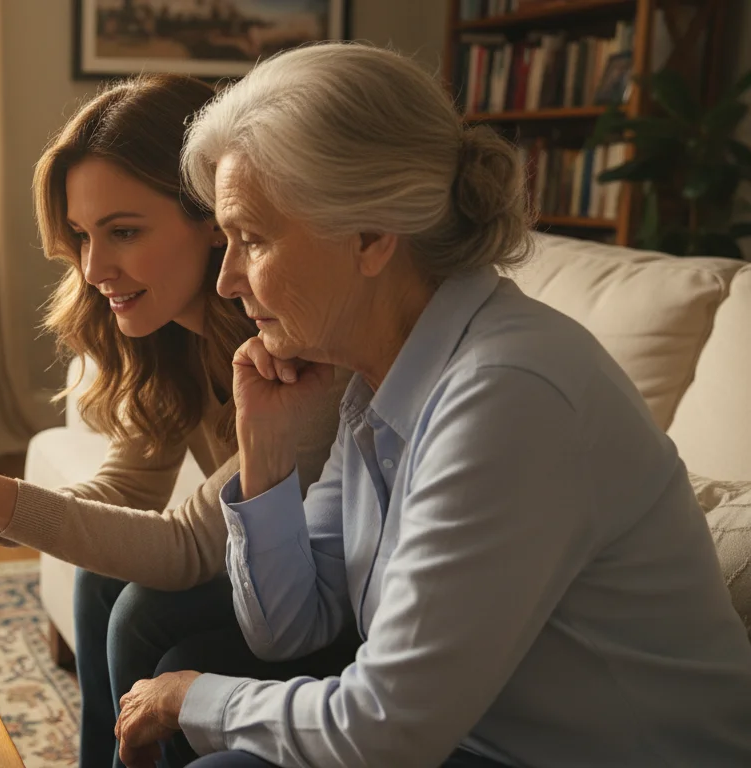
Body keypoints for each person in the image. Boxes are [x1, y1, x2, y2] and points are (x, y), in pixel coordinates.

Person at [99, 43, 751, 767]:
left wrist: (190, 697)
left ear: (373, 234)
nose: (227, 280)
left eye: (251, 239)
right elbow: (291, 629)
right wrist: (267, 452)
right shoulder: (384, 374)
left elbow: (385, 730)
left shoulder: (507, 395)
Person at [0, 74, 352, 768]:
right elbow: (124, 492)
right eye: (82, 236)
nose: (94, 269)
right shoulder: (175, 340)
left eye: (123, 232)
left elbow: (189, 547)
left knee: (148, 615)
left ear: (215, 216)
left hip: (337, 611)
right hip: (268, 589)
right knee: (103, 586)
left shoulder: (295, 353)